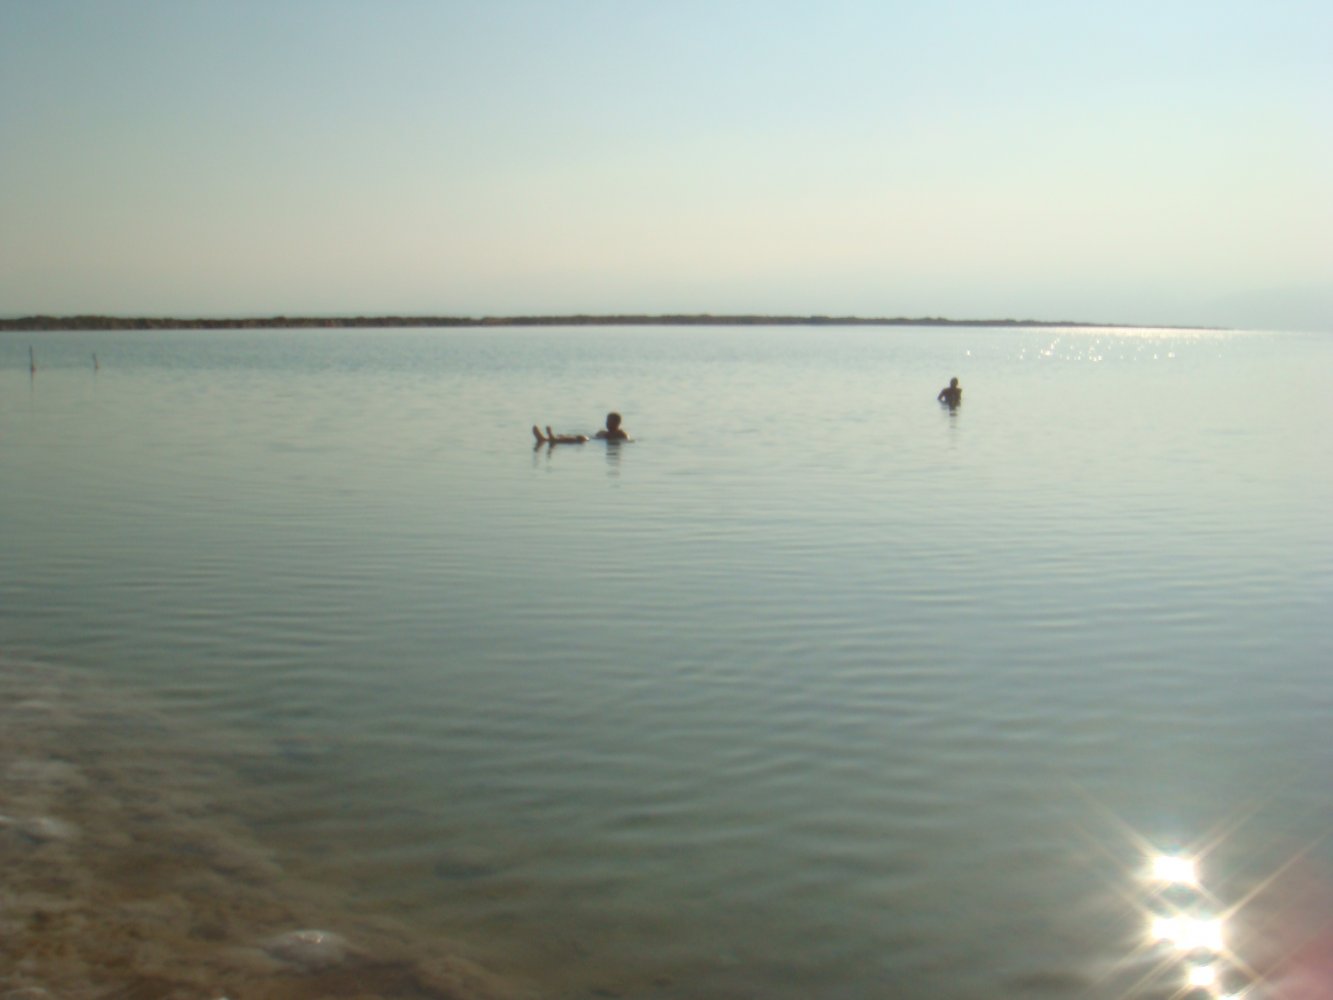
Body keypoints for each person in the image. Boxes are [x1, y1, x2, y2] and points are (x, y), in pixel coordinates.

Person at [532, 412, 631, 445]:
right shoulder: (603, 432)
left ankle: (550, 439)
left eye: (610, 421)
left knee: (581, 439)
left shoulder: (621, 434)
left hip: (589, 441)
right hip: (592, 440)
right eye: (607, 421)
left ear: (617, 423)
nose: (607, 423)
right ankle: (546, 439)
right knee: (576, 437)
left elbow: (626, 439)